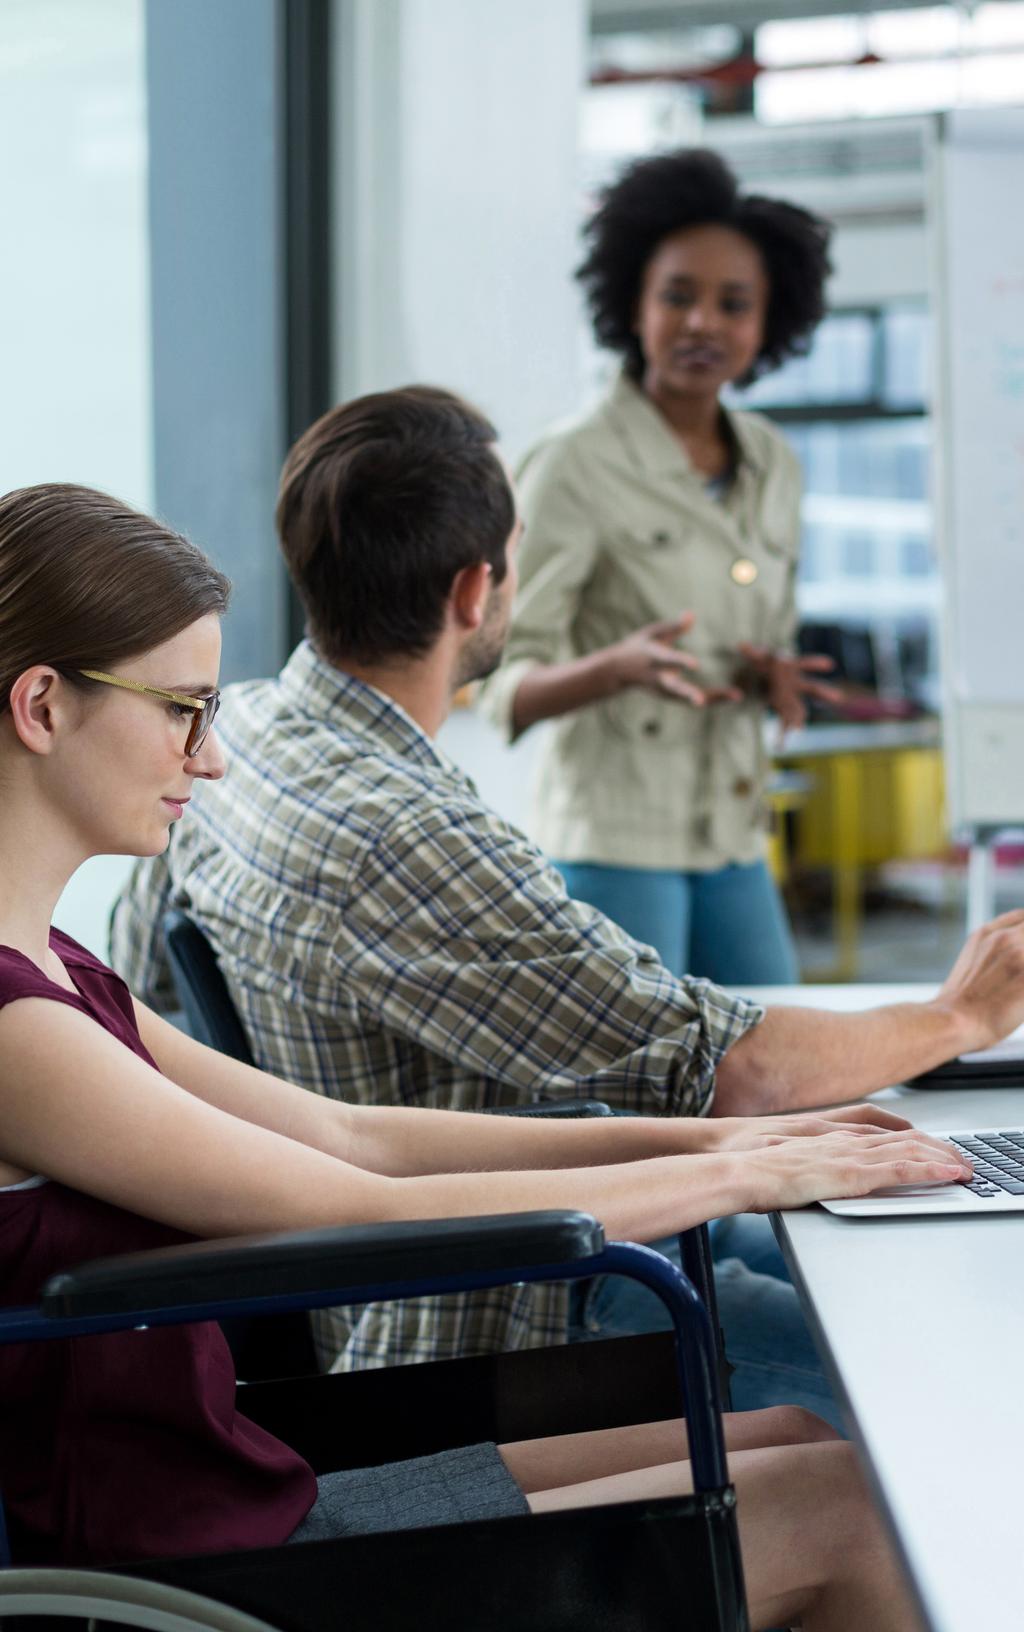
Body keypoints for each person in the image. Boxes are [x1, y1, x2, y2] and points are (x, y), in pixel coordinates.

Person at [0, 481, 949, 1630]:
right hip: (175, 1571)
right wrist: (748, 1177)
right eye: (182, 711)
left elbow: (352, 1134)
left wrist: (725, 1135)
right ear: (43, 705)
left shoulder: (56, 968)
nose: (209, 762)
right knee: (852, 1511)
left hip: (244, 1491)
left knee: (802, 1440)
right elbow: (349, 1208)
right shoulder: (18, 1031)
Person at [112, 387, 1024, 1428]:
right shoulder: (404, 834)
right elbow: (733, 1072)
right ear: (474, 591)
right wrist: (960, 1016)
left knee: (867, 1222)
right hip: (508, 1297)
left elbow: (139, 971)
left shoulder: (248, 739)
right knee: (939, 1365)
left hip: (483, 1219)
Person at [482, 147, 841, 984]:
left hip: (733, 831)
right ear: (633, 305)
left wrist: (772, 679)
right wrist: (614, 669)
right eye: (677, 296)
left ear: (769, 321)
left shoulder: (775, 462)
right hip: (614, 838)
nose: (702, 324)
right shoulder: (573, 463)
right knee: (649, 1101)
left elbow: (756, 629)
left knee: (783, 1070)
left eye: (733, 304)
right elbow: (502, 680)